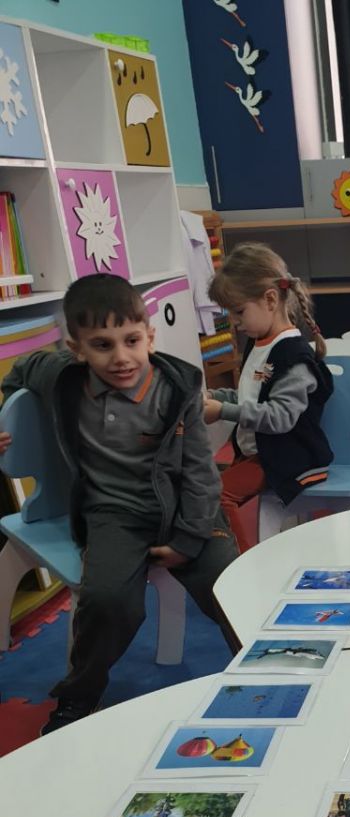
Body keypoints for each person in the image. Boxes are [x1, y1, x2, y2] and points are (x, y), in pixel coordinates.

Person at [0, 273, 238, 733]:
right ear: (77, 349)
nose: (121, 357)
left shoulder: (177, 389)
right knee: (107, 601)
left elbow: (200, 474)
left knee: (229, 588)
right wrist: (5, 414)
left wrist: (188, 540)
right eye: (102, 345)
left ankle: (267, 667)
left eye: (132, 340)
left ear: (150, 336)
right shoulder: (63, 378)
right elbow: (20, 371)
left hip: (187, 508)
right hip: (114, 513)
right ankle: (78, 696)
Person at [203, 243, 333, 552]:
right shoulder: (258, 341)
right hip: (261, 453)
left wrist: (223, 410)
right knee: (203, 484)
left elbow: (280, 418)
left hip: (290, 457)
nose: (235, 322)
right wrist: (217, 396)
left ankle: (242, 562)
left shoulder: (293, 356)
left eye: (239, 312)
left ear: (270, 299)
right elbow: (252, 395)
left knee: (218, 495)